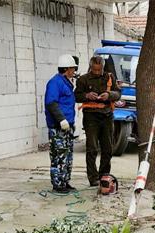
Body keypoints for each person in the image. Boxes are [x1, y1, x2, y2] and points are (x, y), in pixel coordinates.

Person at [74, 56, 121, 187]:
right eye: (94, 69)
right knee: (92, 148)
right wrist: (87, 96)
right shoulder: (83, 79)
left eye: (99, 70)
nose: (96, 72)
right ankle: (93, 178)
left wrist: (109, 95)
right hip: (91, 117)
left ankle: (104, 176)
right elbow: (76, 96)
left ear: (103, 68)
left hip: (107, 116)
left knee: (107, 148)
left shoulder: (109, 77)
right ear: (90, 67)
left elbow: (118, 93)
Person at [44, 54, 78, 194]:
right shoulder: (55, 82)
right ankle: (58, 184)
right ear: (66, 68)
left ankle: (65, 181)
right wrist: (61, 120)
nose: (74, 71)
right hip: (59, 127)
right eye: (72, 68)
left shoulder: (66, 82)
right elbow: (51, 103)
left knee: (67, 155)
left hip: (67, 127)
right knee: (59, 155)